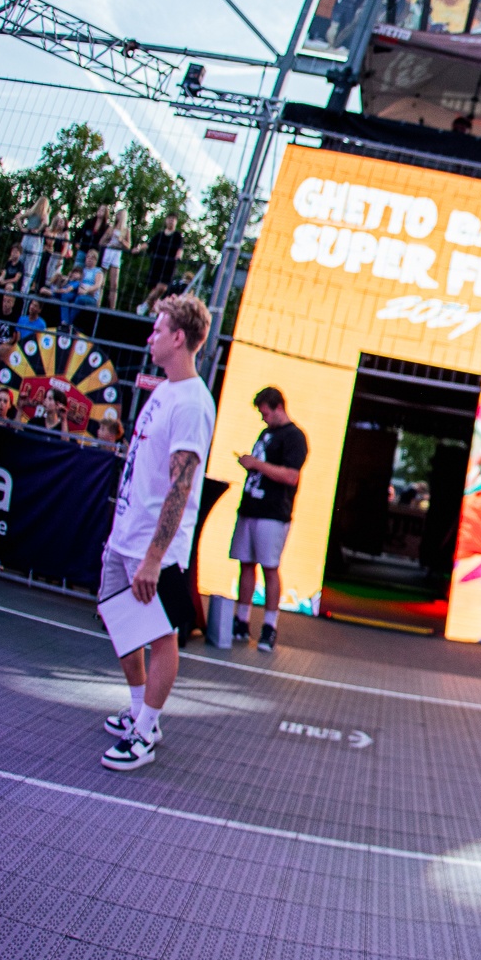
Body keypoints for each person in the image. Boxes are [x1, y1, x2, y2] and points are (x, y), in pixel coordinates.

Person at [97, 295, 216, 772]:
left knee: (162, 635)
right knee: (120, 621)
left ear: (178, 338)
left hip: (155, 549)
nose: (150, 337)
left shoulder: (192, 402)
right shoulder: (165, 389)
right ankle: (137, 709)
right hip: (125, 535)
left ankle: (145, 731)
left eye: (157, 330)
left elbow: (180, 486)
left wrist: (152, 558)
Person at [231, 386, 308, 652]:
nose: (263, 419)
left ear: (278, 408)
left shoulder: (294, 437)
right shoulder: (266, 433)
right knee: (246, 563)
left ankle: (269, 625)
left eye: (265, 413)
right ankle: (241, 619)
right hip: (251, 506)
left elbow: (291, 476)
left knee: (269, 567)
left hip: (274, 512)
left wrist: (257, 465)